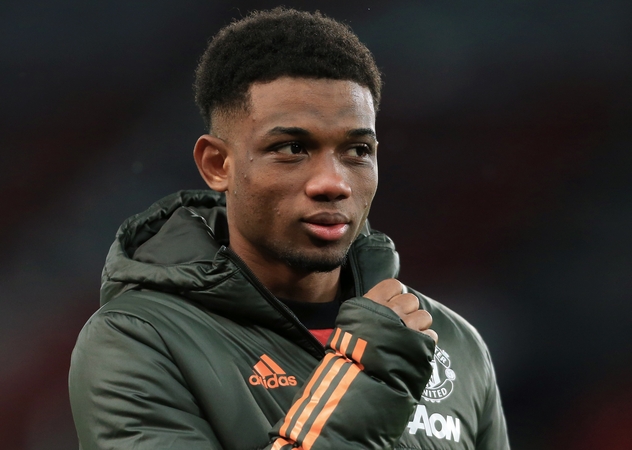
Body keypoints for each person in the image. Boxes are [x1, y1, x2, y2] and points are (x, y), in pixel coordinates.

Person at [69, 7, 509, 450]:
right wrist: (364, 381)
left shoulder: (451, 341)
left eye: (358, 149)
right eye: (292, 148)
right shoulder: (137, 341)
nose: (333, 183)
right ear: (217, 164)